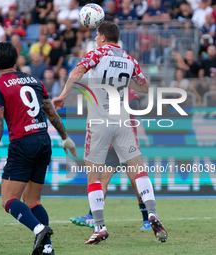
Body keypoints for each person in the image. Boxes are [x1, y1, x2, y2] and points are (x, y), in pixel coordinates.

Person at [52, 22, 167, 244]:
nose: (95, 39)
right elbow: (144, 87)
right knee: (138, 171)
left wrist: (64, 94)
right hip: (124, 122)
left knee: (94, 176)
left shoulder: (97, 53)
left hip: (99, 122)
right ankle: (152, 212)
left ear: (104, 37)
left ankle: (99, 227)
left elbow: (77, 71)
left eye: (96, 35)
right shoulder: (129, 59)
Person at [0, 42, 77, 255]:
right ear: (16, 58)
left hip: (23, 143)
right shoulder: (35, 80)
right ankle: (47, 249)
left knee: (8, 200)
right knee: (33, 201)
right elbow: (50, 111)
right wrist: (65, 137)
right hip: (43, 140)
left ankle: (39, 229)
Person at [70, 88, 152, 231]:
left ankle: (148, 220)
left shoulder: (130, 92)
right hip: (110, 144)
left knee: (135, 181)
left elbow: (132, 108)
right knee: (102, 179)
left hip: (126, 142)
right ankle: (91, 216)